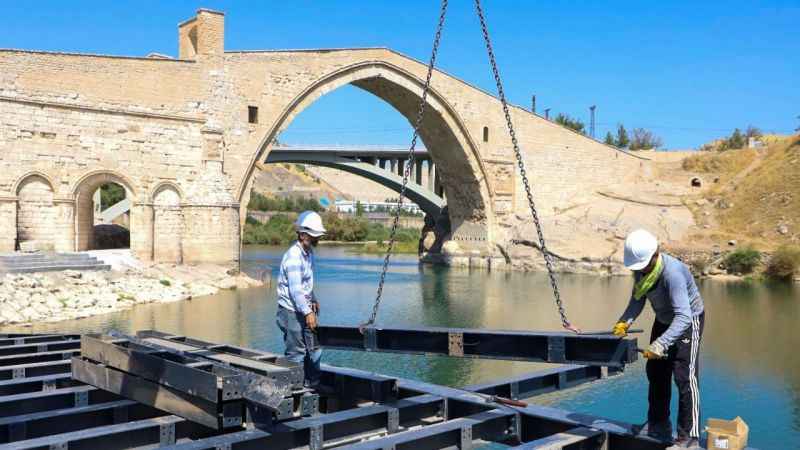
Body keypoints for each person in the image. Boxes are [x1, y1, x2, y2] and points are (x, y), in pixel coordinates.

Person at [612, 229, 705, 449]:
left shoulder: (672, 273)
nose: (641, 269)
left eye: (644, 265)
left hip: (688, 322)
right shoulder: (641, 270)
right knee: (656, 372)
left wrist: (661, 343)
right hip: (664, 320)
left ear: (656, 254)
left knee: (685, 376)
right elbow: (638, 299)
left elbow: (683, 316)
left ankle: (689, 437)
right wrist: (625, 321)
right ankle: (658, 424)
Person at [276, 210, 326, 389]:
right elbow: (295, 290)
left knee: (315, 348)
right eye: (314, 236)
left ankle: (313, 384)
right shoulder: (293, 257)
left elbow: (305, 283)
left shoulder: (308, 252)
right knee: (296, 352)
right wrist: (308, 312)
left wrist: (313, 297)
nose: (316, 240)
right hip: (290, 311)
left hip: (303, 308)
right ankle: (294, 390)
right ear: (303, 234)